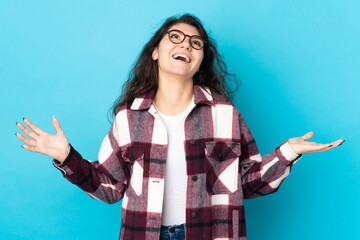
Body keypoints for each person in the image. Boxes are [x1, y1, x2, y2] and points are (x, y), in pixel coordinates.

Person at [15, 14, 344, 240]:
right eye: (175, 37)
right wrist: (67, 157)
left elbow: (246, 184)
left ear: (200, 61)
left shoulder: (226, 115)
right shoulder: (128, 118)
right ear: (156, 52)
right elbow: (110, 190)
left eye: (195, 43)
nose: (185, 45)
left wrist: (289, 152)